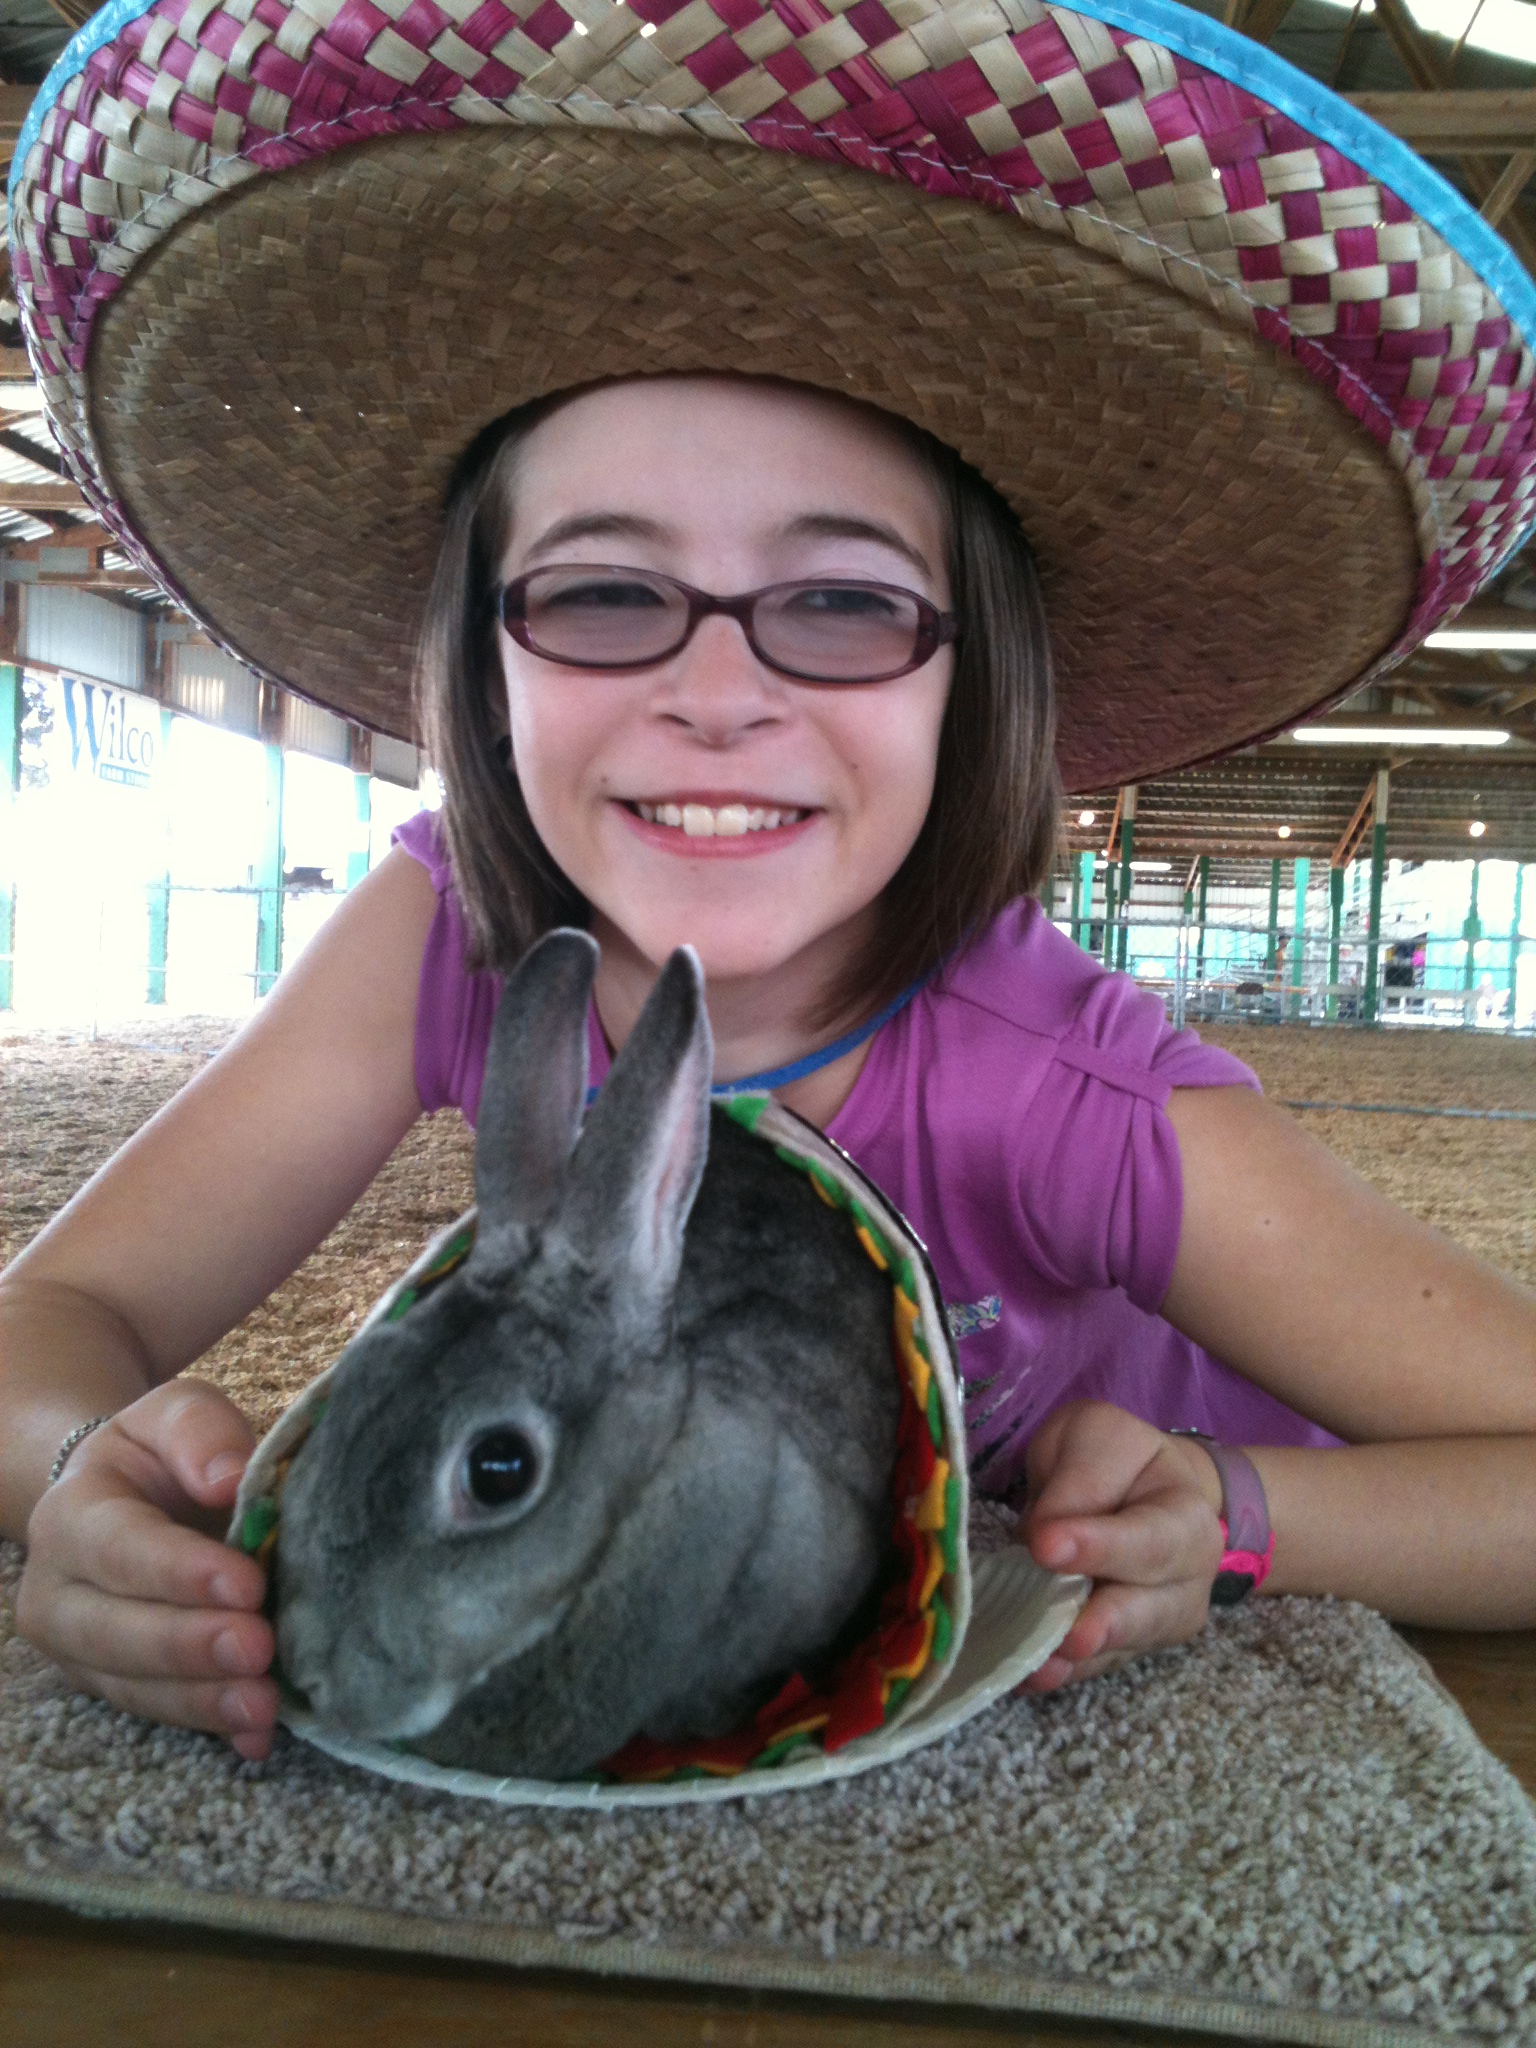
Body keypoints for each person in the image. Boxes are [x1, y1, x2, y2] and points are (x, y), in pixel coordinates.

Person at [1, 0, 1533, 1770]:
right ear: (481, 669)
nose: (717, 696)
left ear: (974, 681)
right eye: (597, 594)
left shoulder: (1066, 1098)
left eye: (843, 603)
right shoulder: (446, 936)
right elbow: (52, 1316)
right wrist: (71, 1483)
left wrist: (1241, 1516)